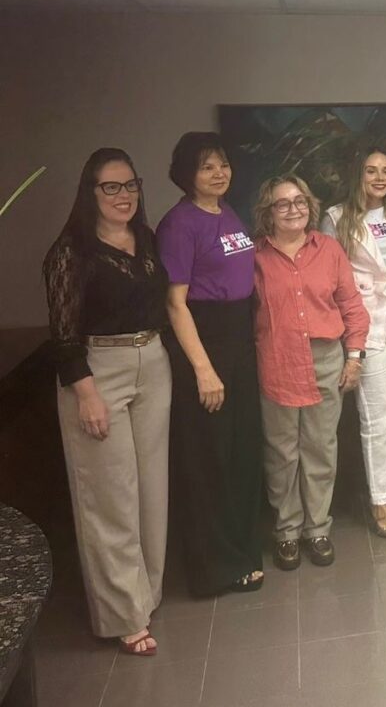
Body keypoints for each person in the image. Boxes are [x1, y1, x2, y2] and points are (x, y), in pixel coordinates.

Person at [43, 149, 170, 657]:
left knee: (151, 489)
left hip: (152, 362)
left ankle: (146, 595)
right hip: (98, 372)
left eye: (130, 184)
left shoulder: (147, 238)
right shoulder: (70, 251)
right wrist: (87, 394)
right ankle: (123, 613)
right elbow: (63, 335)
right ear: (90, 192)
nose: (123, 195)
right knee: (109, 495)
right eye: (110, 186)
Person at [156, 132, 264, 595]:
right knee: (209, 459)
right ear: (186, 174)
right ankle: (214, 567)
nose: (219, 173)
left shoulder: (228, 213)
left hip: (238, 341)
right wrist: (203, 369)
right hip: (206, 343)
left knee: (240, 452)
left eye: (223, 164)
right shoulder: (179, 224)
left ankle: (241, 550)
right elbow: (175, 304)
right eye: (206, 167)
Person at [253, 175, 369, 568]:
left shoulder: (329, 249)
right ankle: (287, 531)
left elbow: (352, 306)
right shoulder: (255, 257)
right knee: (282, 452)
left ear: (310, 205)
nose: (293, 209)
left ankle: (317, 528)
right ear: (268, 212)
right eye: (282, 203)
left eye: (300, 201)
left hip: (325, 360)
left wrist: (354, 357)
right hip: (277, 360)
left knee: (320, 448)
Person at [322, 145, 386, 539]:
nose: (380, 178)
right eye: (371, 170)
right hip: (368, 326)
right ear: (357, 175)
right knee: (377, 419)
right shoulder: (336, 218)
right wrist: (350, 343)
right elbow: (332, 282)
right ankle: (379, 502)